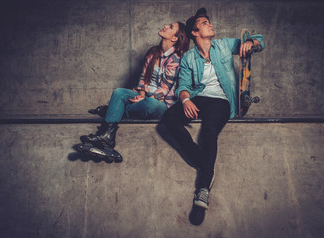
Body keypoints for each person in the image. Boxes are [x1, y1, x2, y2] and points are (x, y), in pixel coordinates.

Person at [161, 8, 265, 209]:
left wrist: (251, 43)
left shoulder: (224, 45)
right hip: (199, 99)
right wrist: (185, 100)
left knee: (209, 131)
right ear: (194, 32)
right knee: (169, 118)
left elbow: (260, 41)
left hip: (221, 101)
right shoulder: (189, 58)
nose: (209, 24)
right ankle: (201, 160)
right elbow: (182, 86)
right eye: (203, 22)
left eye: (208, 21)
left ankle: (203, 189)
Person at [79, 21, 190, 161]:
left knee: (151, 104)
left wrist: (145, 97)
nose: (166, 26)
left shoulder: (176, 58)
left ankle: (113, 110)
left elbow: (164, 89)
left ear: (174, 38)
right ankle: (107, 137)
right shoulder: (153, 52)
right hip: (145, 97)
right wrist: (141, 94)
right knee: (119, 92)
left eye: (171, 27)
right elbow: (143, 78)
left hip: (161, 104)